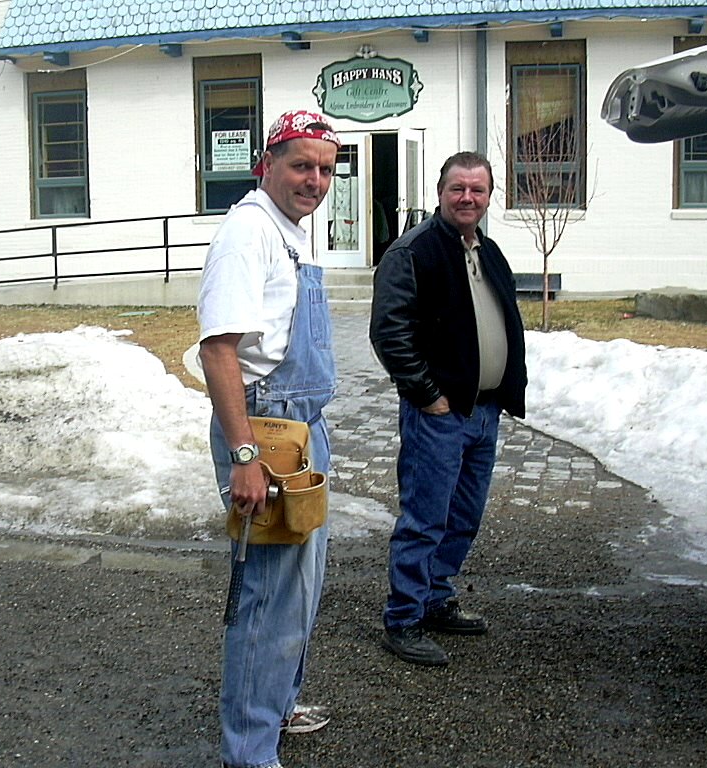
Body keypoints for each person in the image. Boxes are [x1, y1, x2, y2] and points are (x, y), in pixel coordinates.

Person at [197, 109, 340, 768]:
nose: (314, 180)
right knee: (266, 598)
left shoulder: (292, 232)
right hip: (265, 430)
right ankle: (250, 752)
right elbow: (218, 350)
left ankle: (278, 703)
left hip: (303, 426)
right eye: (301, 165)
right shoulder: (247, 232)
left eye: (325, 169)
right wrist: (245, 456)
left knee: (300, 591)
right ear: (267, 165)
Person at [369, 151, 527, 667]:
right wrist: (427, 394)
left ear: (489, 196)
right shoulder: (413, 252)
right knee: (424, 520)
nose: (467, 198)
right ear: (440, 192)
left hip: (483, 412)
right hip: (438, 413)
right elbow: (389, 332)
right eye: (458, 188)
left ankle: (435, 596)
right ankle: (404, 618)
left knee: (463, 516)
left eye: (477, 190)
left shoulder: (488, 251)